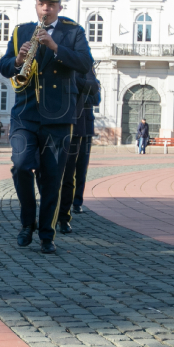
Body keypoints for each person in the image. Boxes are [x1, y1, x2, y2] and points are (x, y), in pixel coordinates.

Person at [0, 0, 93, 254]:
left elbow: (85, 63)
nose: (46, 9)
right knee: (20, 166)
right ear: (36, 5)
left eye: (51, 4)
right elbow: (4, 66)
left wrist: (54, 46)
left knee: (52, 178)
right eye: (42, 4)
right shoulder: (20, 32)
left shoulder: (72, 32)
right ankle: (27, 223)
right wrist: (17, 60)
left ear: (59, 6)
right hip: (25, 114)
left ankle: (46, 234)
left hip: (59, 117)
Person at [56, 67, 100, 234]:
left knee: (78, 169)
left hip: (81, 126)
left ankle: (74, 204)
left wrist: (77, 86)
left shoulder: (83, 67)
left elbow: (95, 96)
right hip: (55, 118)